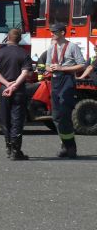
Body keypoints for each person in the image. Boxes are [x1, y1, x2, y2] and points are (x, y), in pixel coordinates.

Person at [0, 27, 32, 160]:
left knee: (5, 119)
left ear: (8, 38)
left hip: (4, 89)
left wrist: (7, 84)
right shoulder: (24, 54)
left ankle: (8, 148)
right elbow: (25, 73)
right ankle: (16, 151)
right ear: (20, 39)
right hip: (18, 90)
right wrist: (14, 85)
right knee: (17, 119)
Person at [47, 22, 85, 159]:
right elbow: (46, 65)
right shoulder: (51, 48)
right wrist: (49, 68)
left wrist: (62, 68)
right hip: (55, 80)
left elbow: (82, 64)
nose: (51, 34)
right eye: (51, 32)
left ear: (62, 33)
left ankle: (71, 147)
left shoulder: (72, 47)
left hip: (67, 80)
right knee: (56, 116)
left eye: (54, 32)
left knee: (64, 113)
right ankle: (65, 144)